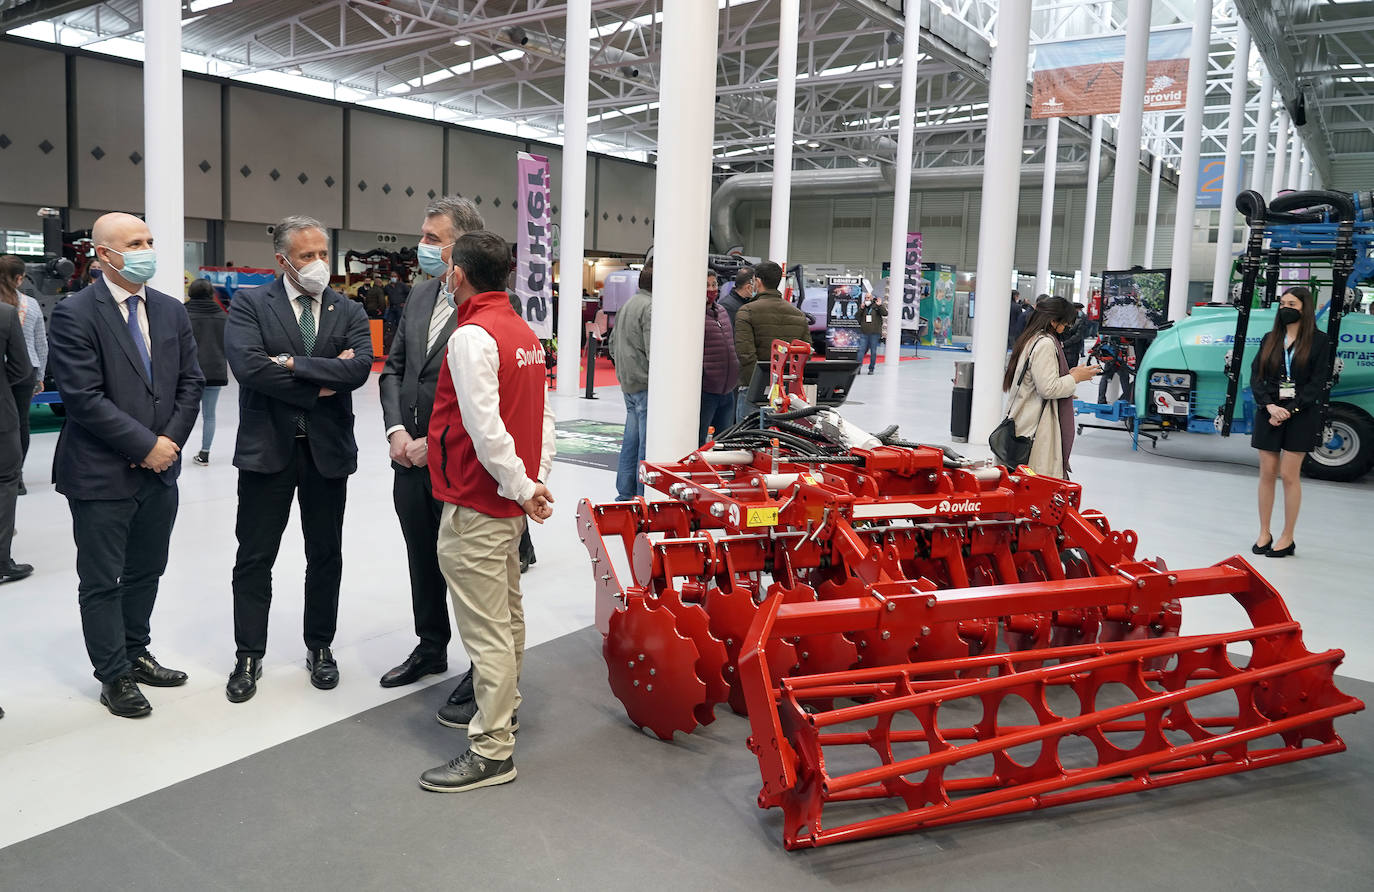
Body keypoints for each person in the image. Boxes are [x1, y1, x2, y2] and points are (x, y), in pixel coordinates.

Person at [47, 212, 205, 718]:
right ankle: (113, 674)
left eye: (150, 241)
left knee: (146, 571)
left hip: (161, 470)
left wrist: (170, 443)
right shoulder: (75, 313)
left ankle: (136, 652)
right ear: (103, 255)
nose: (146, 250)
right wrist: (145, 446)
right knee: (102, 579)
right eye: (135, 243)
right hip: (100, 474)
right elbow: (84, 398)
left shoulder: (169, 310)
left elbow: (190, 383)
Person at [418, 230, 555, 793]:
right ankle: (505, 709)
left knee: (487, 631)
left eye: (446, 262)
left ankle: (492, 748)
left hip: (477, 501)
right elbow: (543, 417)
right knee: (509, 615)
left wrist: (522, 486)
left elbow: (483, 427)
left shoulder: (471, 336)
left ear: (460, 275)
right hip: (506, 502)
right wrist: (533, 482)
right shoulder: (524, 332)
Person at [223, 216, 373, 703]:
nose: (318, 264)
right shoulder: (250, 304)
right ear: (282, 260)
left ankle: (320, 646)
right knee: (254, 557)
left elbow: (361, 369)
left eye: (322, 254)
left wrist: (290, 364)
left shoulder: (346, 308)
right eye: (307, 256)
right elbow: (249, 369)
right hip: (268, 452)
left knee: (325, 555)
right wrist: (323, 382)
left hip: (326, 453)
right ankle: (249, 653)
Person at [378, 195, 484, 691]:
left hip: (459, 466)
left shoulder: (483, 309)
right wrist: (397, 430)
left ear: (460, 248)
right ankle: (431, 646)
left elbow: (485, 399)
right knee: (421, 557)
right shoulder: (421, 295)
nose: (420, 246)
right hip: (410, 461)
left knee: (467, 572)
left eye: (431, 239)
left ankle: (482, 667)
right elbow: (395, 366)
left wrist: (432, 443)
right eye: (422, 235)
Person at [1250, 285, 1329, 559]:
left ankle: (1287, 536)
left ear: (1305, 308)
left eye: (1292, 304)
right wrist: (1270, 406)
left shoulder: (1320, 341)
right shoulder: (1270, 338)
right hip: (1269, 412)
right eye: (1283, 303)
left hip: (1301, 414)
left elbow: (1317, 384)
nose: (1286, 308)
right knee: (1266, 473)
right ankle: (1264, 532)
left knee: (1289, 475)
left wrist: (1290, 410)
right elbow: (1256, 377)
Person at [1002, 296, 1099, 479]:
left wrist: (1069, 377)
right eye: (1065, 324)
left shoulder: (1030, 338)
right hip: (1036, 429)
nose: (1065, 329)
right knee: (1039, 485)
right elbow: (1048, 388)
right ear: (1053, 320)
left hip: (1022, 422)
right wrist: (1075, 378)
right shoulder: (1045, 343)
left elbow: (1037, 382)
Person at [0, 255, 44, 493]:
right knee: (20, 424)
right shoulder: (32, 305)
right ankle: (16, 476)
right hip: (26, 372)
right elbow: (41, 344)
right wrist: (40, 376)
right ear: (20, 278)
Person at [610, 262, 652, 501]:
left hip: (628, 381)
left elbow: (613, 343)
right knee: (645, 445)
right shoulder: (650, 307)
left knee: (630, 442)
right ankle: (642, 495)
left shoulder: (629, 304)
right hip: (645, 383)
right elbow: (653, 348)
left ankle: (625, 494)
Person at [734, 260, 810, 391]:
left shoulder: (746, 312)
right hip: (786, 386)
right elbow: (805, 353)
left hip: (754, 387)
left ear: (757, 282)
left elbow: (745, 355)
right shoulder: (799, 315)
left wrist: (760, 384)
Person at [0, 289, 33, 585]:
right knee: (4, 482)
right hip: (1, 415)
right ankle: (1, 562)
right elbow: (22, 368)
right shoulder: (6, 314)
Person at [185, 278, 228, 465]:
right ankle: (205, 453)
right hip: (215, 372)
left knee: (183, 413)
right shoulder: (223, 316)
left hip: (188, 373)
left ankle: (173, 451)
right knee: (209, 414)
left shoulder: (183, 313)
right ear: (212, 294)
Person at [700, 269, 739, 444]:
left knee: (725, 441)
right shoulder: (692, 315)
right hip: (707, 390)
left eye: (714, 284)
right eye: (707, 285)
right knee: (698, 439)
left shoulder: (722, 311)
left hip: (727, 389)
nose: (711, 289)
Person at [857, 290, 886, 374]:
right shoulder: (864, 307)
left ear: (872, 298)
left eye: (868, 297)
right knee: (861, 351)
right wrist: (861, 309)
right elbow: (857, 316)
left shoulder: (877, 306)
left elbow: (885, 313)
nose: (867, 299)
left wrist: (880, 306)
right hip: (864, 332)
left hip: (874, 333)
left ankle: (871, 368)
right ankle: (858, 368)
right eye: (866, 298)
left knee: (873, 351)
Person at [1061, 301, 1087, 368]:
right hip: (1069, 349)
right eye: (1079, 309)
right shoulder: (1065, 320)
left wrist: (1064, 343)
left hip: (1070, 349)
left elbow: (1078, 336)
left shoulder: (1079, 320)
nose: (1081, 311)